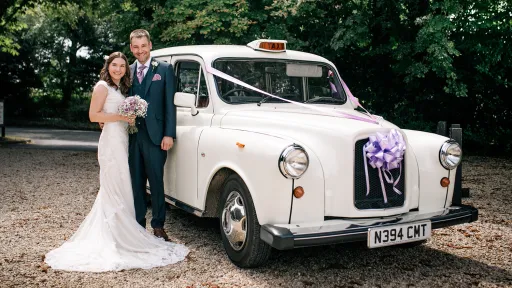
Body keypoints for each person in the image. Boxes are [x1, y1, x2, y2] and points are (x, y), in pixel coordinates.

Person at [44, 52, 188, 272]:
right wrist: (118, 118)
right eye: (115, 65)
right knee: (116, 185)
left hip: (127, 139)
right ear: (108, 66)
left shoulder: (125, 85)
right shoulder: (102, 86)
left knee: (126, 185)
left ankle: (138, 229)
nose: (119, 69)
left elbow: (166, 103)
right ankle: (118, 233)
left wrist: (166, 132)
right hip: (114, 142)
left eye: (121, 65)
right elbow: (94, 115)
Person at [128, 29, 176, 240]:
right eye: (136, 47)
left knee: (156, 182)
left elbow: (169, 105)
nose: (140, 51)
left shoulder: (164, 69)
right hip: (132, 136)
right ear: (131, 48)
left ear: (150, 45)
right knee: (136, 183)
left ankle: (158, 225)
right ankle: (138, 225)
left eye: (143, 46)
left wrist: (169, 134)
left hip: (157, 137)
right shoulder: (126, 71)